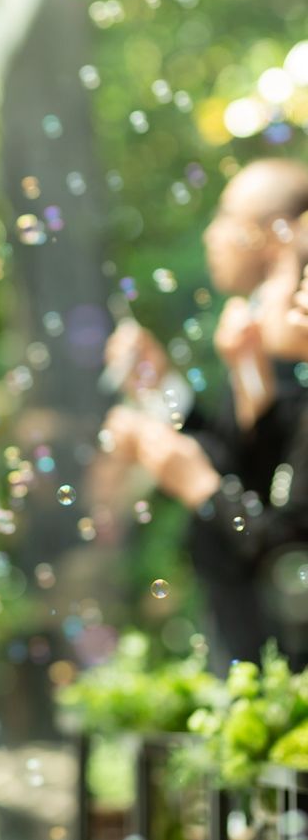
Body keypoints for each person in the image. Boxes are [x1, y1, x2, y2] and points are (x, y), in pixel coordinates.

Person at [102, 158, 308, 666]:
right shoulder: (257, 343)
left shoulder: (291, 355)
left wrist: (201, 486)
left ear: (274, 237)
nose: (210, 234)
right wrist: (161, 389)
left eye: (225, 216)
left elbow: (276, 526)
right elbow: (237, 458)